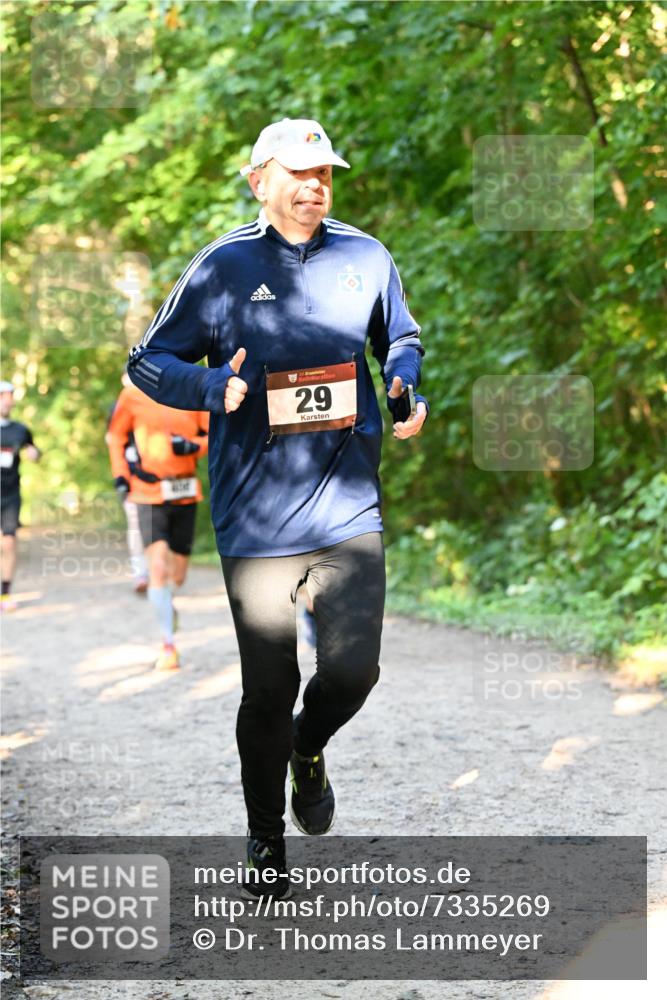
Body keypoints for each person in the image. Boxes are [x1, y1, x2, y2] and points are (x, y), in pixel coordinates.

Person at [127, 117, 428, 897]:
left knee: (354, 671)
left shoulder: (365, 254)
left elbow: (401, 337)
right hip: (256, 514)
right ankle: (265, 837)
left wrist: (402, 385)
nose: (314, 186)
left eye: (324, 173)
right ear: (258, 180)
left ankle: (307, 747)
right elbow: (147, 360)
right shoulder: (222, 267)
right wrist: (205, 387)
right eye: (298, 173)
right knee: (268, 685)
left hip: (347, 502)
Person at [107, 377, 209, 670]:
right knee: (158, 568)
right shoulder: (131, 396)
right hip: (147, 492)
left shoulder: (190, 390)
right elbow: (115, 437)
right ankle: (168, 645)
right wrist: (121, 476)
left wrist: (194, 447)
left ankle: (166, 601)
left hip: (185, 491)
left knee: (177, 576)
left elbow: (214, 434)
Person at [105, 369, 149, 594]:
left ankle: (159, 570)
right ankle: (140, 573)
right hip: (131, 475)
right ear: (123, 380)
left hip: (158, 474)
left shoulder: (154, 402)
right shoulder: (118, 408)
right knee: (135, 522)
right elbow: (112, 442)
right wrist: (120, 475)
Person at [0, 381, 41, 612]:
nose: (7, 400)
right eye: (2, 395)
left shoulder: (20, 430)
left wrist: (33, 453)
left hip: (10, 494)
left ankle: (4, 594)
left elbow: (33, 449)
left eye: (9, 396)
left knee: (8, 542)